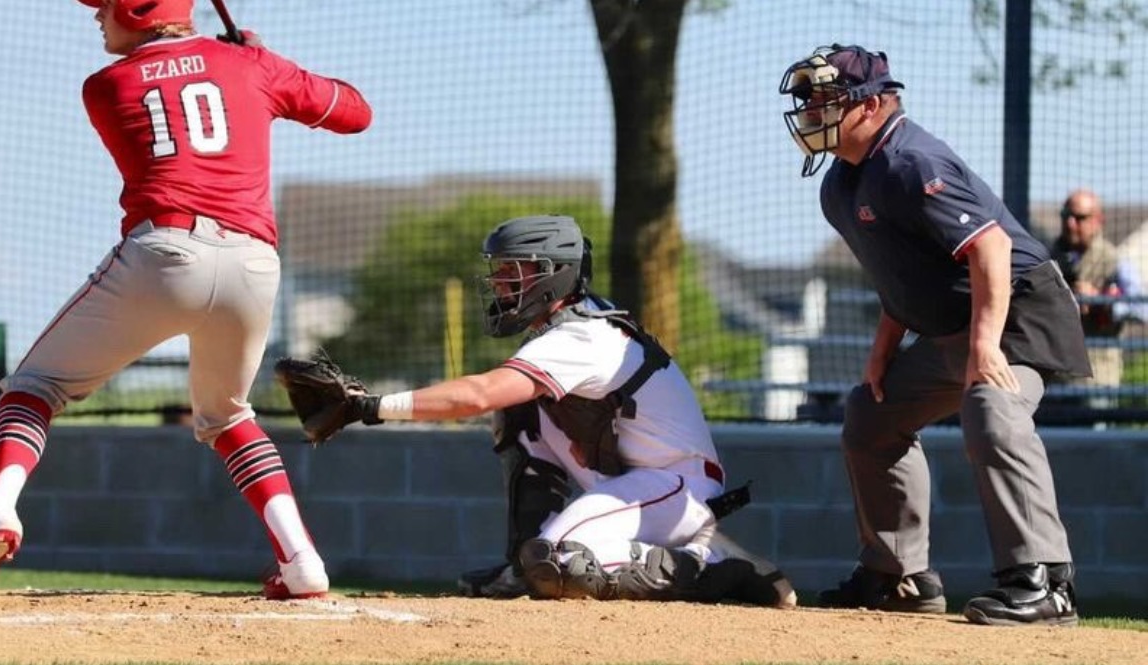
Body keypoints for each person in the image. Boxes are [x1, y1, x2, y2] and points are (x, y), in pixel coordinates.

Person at [0, 0, 371, 604]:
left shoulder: (105, 86)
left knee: (31, 387)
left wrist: (238, 62)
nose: (97, 18)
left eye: (106, 8)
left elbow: (175, 85)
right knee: (228, 416)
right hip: (254, 264)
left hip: (166, 251)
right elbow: (356, 113)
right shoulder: (249, 66)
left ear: (136, 9)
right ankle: (302, 560)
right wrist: (260, 59)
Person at [280, 214, 795, 606]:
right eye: (501, 273)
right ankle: (519, 564)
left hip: (675, 485)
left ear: (554, 276)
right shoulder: (574, 322)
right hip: (629, 482)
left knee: (561, 561)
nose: (502, 285)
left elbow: (477, 394)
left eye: (514, 273)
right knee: (520, 414)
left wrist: (369, 406)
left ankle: (712, 565)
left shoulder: (583, 336)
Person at [778, 44, 1091, 626]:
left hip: (1017, 314)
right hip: (957, 326)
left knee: (992, 406)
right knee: (870, 416)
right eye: (808, 101)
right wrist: (881, 356)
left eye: (824, 100)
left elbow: (992, 248)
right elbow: (905, 277)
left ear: (870, 105)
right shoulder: (841, 186)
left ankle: (1044, 584)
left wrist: (984, 345)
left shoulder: (910, 161)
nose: (810, 112)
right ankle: (900, 577)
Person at [1050, 188, 1148, 399]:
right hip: (1052, 383)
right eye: (1066, 216)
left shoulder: (1115, 261)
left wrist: (1104, 301)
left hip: (1098, 382)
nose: (1070, 224)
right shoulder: (1047, 259)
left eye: (1079, 217)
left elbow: (1142, 309)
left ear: (1098, 220)